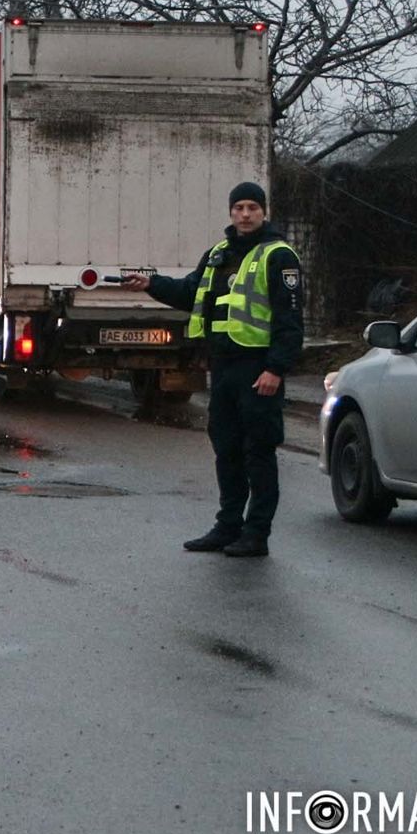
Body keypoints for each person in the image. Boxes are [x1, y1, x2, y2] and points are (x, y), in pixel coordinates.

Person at [122, 180, 303, 558]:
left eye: (253, 207)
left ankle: (256, 534)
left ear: (264, 211)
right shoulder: (218, 254)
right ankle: (227, 527)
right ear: (231, 212)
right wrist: (151, 284)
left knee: (259, 452)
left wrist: (276, 369)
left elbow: (290, 320)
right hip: (223, 368)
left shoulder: (279, 255)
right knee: (227, 449)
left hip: (258, 369)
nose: (246, 214)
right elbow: (190, 292)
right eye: (239, 208)